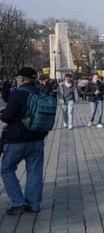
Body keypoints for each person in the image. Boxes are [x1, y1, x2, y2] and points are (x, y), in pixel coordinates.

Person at [0, 67, 48, 215]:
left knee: (7, 169)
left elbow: (7, 117)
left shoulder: (18, 93)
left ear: (22, 78)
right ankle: (33, 204)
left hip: (17, 140)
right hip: (38, 138)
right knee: (35, 171)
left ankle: (18, 202)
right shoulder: (41, 92)